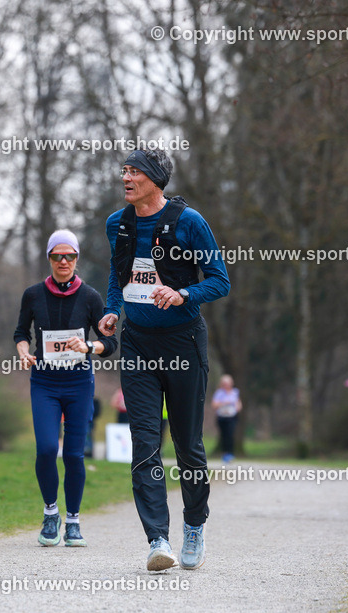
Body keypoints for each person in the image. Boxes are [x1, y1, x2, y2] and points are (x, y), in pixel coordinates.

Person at [98, 149, 230, 571]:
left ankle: (194, 523)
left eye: (134, 172)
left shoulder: (190, 223)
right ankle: (158, 538)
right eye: (124, 171)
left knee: (187, 445)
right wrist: (112, 309)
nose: (126, 178)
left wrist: (183, 294)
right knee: (144, 440)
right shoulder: (117, 224)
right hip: (137, 344)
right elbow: (119, 277)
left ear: (156, 180)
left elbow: (219, 280)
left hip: (183, 341)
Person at [15, 230, 117, 547]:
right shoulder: (33, 295)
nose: (63, 261)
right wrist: (22, 351)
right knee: (46, 449)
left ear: (76, 259)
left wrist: (88, 346)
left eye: (69, 256)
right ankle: (50, 513)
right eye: (57, 255)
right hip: (44, 381)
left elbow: (111, 343)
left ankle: (72, 521)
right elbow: (20, 332)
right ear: (49, 258)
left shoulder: (90, 297)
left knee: (73, 454)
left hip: (78, 383)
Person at [212, 374, 242, 463]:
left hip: (232, 417)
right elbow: (214, 405)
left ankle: (230, 454)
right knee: (224, 436)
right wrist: (224, 403)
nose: (226, 385)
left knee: (230, 435)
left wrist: (237, 408)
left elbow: (238, 404)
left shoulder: (235, 392)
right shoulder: (219, 393)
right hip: (222, 417)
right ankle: (224, 454)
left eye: (228, 383)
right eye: (224, 383)